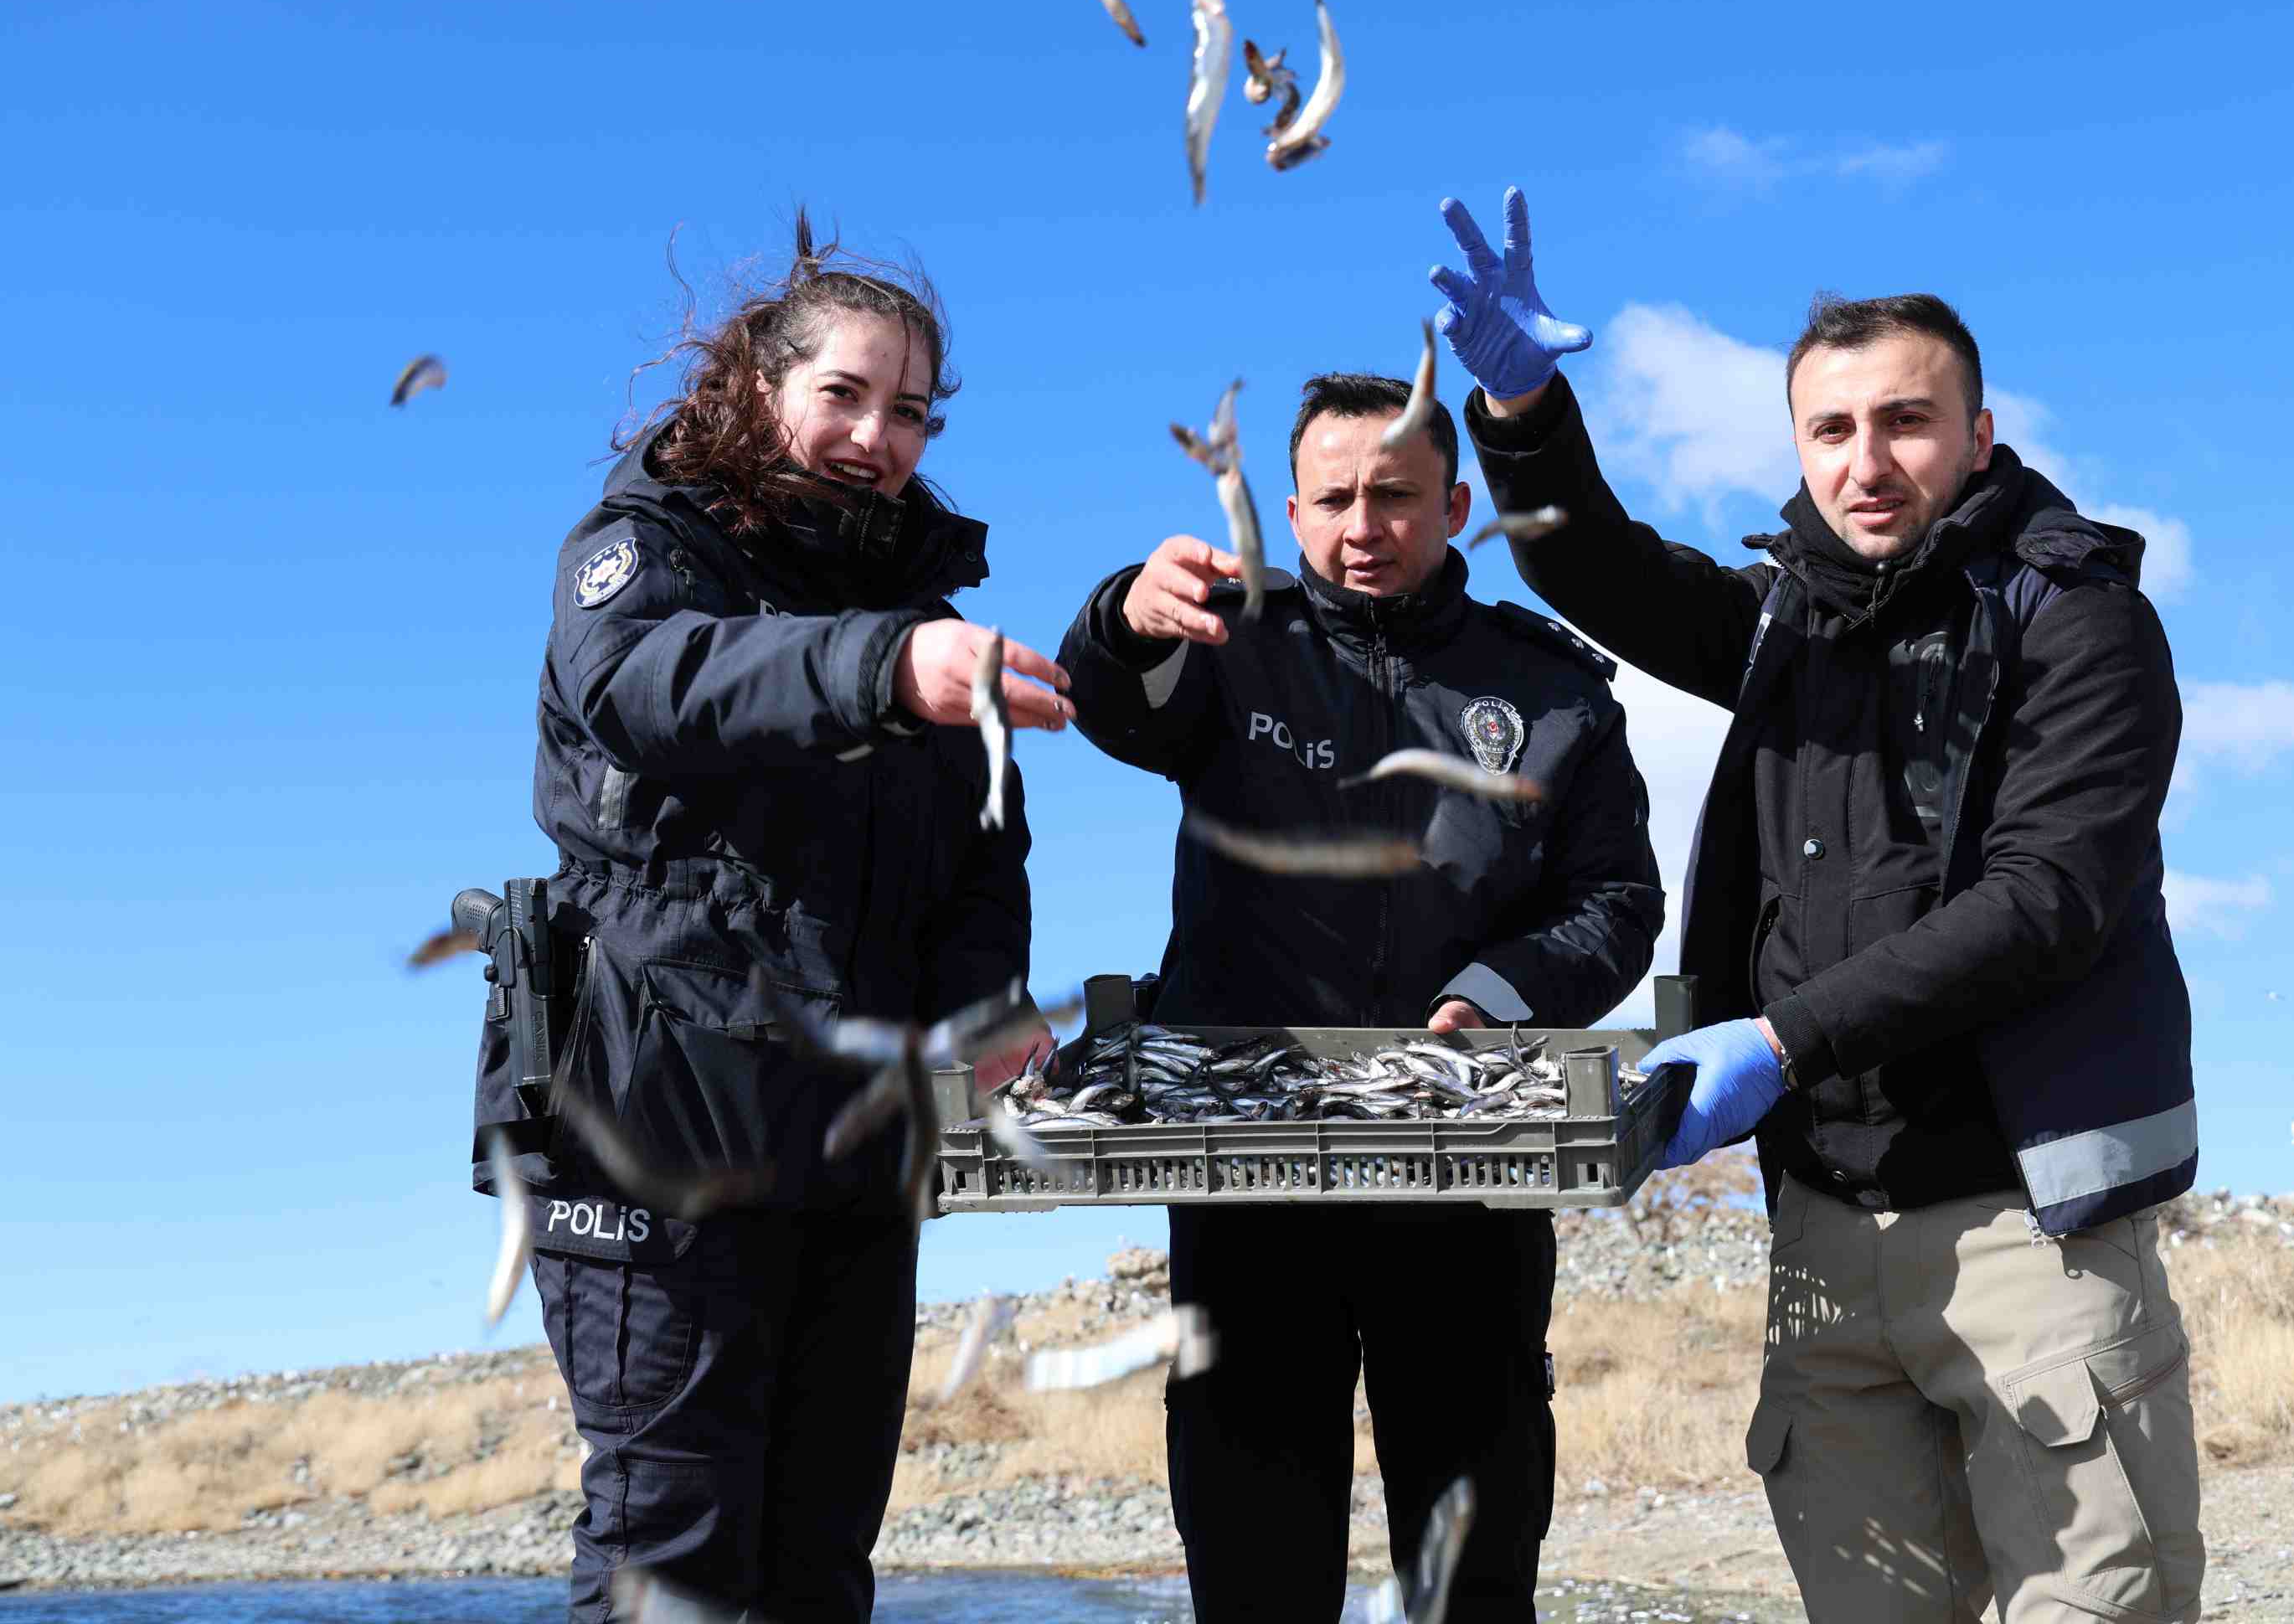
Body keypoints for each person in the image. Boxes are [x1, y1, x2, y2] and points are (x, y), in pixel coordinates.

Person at [1425, 188, 2206, 1623]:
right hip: (1827, 1241)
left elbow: (2047, 900)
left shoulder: (2081, 620)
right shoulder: (1784, 621)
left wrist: (1777, 1042)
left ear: (1980, 435)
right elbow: (1593, 564)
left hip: (2031, 1228)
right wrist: (1522, 411)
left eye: (1907, 422)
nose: (1867, 461)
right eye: (1831, 430)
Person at [467, 212, 1070, 1623]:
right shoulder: (642, 549)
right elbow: (652, 686)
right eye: (842, 394)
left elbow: (984, 853)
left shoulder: (919, 611)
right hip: (648, 1129)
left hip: (853, 1151)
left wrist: (984, 1002)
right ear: (759, 386)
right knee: (672, 1555)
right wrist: (883, 669)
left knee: (820, 1565)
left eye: (908, 412)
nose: (875, 436)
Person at [1057, 371, 1665, 1622]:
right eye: (1332, 500)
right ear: (1290, 513)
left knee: (1472, 1571)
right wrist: (1124, 615)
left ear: (1455, 505)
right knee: (1256, 1570)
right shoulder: (1226, 641)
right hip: (1246, 1180)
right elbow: (1110, 701)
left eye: (1394, 496)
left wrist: (1499, 995)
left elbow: (1617, 900)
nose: (1362, 526)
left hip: (1470, 1174)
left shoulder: (1551, 689)